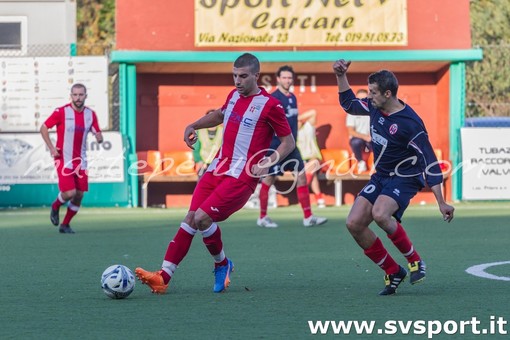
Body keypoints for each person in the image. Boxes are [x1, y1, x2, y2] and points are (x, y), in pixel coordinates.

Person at [135, 53, 295, 294]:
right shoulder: (233, 95)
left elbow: (288, 142)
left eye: (242, 76)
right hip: (217, 168)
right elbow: (220, 115)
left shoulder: (270, 105)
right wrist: (193, 125)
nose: (237, 81)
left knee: (201, 218)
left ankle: (222, 264)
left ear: (256, 76)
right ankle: (163, 277)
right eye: (234, 75)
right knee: (191, 218)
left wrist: (268, 162)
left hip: (242, 176)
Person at [333, 59, 455, 295]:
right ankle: (392, 270)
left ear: (388, 93)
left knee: (380, 213)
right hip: (382, 176)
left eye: (373, 92)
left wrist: (441, 201)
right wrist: (340, 75)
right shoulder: (374, 107)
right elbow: (348, 103)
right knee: (354, 224)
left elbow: (430, 162)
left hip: (406, 177)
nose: (369, 96)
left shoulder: (410, 124)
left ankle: (415, 261)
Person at [256, 65, 328, 228]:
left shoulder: (293, 98)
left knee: (302, 176)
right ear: (278, 79)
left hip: (292, 147)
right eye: (284, 77)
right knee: (268, 179)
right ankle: (262, 217)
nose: (287, 80)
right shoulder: (272, 98)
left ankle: (308, 217)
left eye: (290, 78)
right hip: (275, 147)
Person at [40, 83, 103, 234]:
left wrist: (99, 137)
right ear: (71, 96)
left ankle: (65, 225)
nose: (78, 98)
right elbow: (43, 128)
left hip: (81, 161)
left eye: (81, 95)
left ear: (85, 96)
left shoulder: (90, 114)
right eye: (75, 94)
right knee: (70, 193)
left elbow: (97, 132)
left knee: (79, 195)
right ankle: (55, 206)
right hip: (63, 158)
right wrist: (52, 148)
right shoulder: (61, 112)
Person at [297, 109, 326, 208]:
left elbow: (314, 112)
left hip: (313, 158)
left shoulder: (308, 126)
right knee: (312, 175)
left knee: (312, 164)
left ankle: (302, 192)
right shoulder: (290, 132)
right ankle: (319, 198)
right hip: (299, 161)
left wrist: (296, 118)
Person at [346, 89, 372, 173]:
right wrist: (365, 137)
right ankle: (361, 163)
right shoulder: (351, 112)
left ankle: (378, 164)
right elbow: (351, 132)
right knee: (355, 142)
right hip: (359, 140)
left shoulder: (373, 110)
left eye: (364, 99)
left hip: (371, 139)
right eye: (359, 99)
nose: (361, 101)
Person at [192, 109, 223, 178]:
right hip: (203, 164)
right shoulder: (199, 131)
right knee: (202, 185)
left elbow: (226, 148)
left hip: (218, 164)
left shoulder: (223, 131)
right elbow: (196, 148)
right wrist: (199, 161)